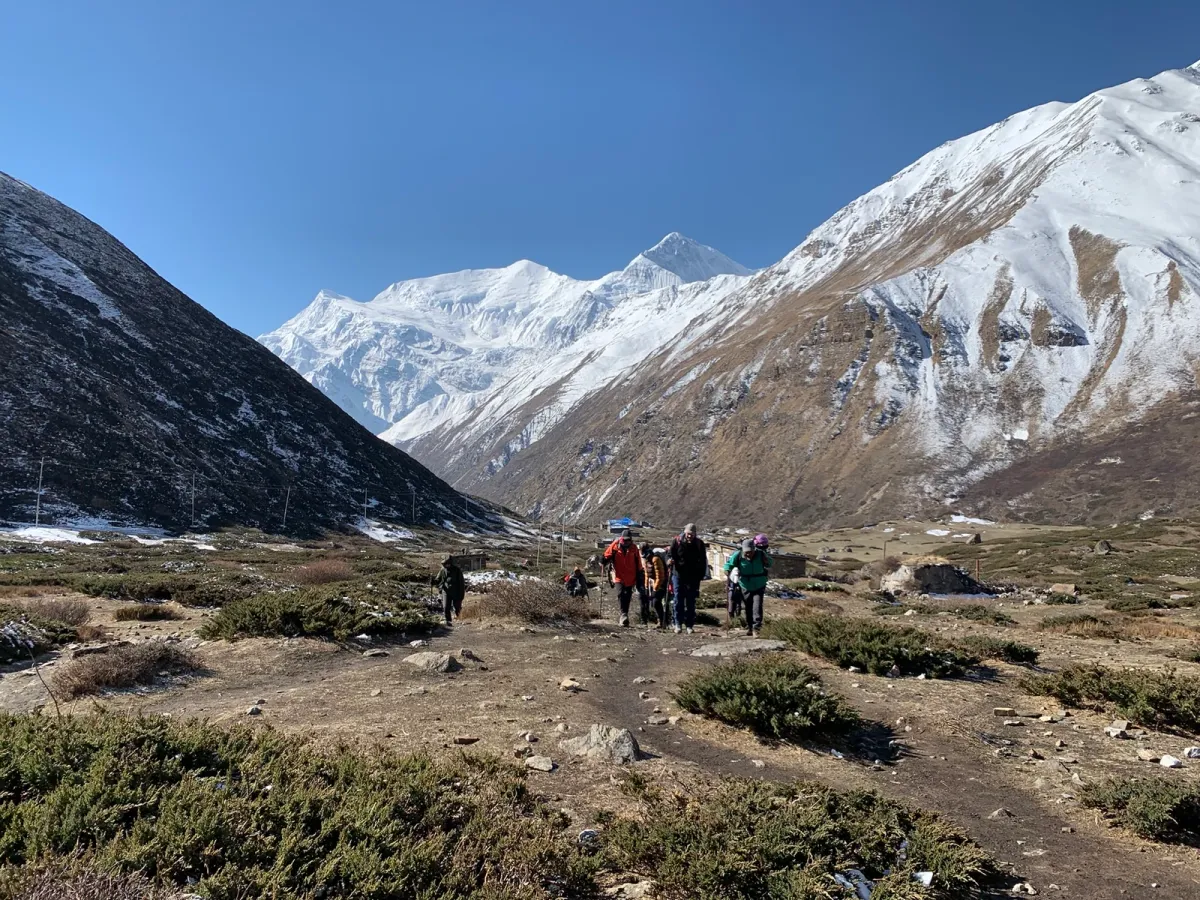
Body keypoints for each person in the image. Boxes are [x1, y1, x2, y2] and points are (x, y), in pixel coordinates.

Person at [724, 534, 772, 636]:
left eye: (750, 552)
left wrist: (767, 560)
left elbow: (770, 563)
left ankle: (756, 628)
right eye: (746, 552)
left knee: (757, 606)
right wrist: (727, 570)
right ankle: (750, 627)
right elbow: (729, 564)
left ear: (754, 549)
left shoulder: (761, 554)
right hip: (745, 585)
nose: (748, 554)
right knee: (748, 607)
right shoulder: (738, 555)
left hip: (759, 583)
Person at [668, 523, 708, 634]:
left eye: (692, 534)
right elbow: (671, 554)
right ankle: (677, 624)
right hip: (678, 575)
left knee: (691, 601)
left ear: (695, 533)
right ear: (685, 532)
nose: (690, 536)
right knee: (678, 600)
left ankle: (689, 625)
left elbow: (703, 560)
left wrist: (701, 576)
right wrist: (670, 560)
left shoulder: (699, 544)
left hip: (693, 577)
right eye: (688, 533)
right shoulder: (677, 541)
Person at [603, 529, 645, 627]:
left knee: (627, 596)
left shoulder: (634, 548)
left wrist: (640, 573)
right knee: (620, 594)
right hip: (618, 576)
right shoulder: (615, 545)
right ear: (621, 538)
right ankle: (623, 615)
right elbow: (606, 555)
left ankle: (625, 615)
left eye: (628, 540)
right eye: (625, 540)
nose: (626, 542)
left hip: (631, 577)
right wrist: (604, 560)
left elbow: (638, 562)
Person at [433, 554, 466, 627]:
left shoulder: (457, 570)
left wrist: (461, 595)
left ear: (451, 563)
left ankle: (460, 620)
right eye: (445, 564)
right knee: (445, 607)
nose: (446, 565)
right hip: (446, 591)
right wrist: (433, 581)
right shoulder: (442, 570)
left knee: (457, 607)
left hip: (456, 592)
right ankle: (448, 621)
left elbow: (461, 583)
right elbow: (438, 579)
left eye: (448, 563)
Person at [648, 546, 671, 629]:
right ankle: (662, 621)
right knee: (658, 602)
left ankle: (663, 621)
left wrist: (655, 588)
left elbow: (659, 576)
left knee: (656, 601)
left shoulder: (656, 559)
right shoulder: (649, 560)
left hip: (662, 582)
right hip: (656, 582)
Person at [727, 544, 746, 624]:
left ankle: (734, 619)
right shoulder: (738, 556)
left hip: (733, 583)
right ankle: (734, 619)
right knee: (735, 602)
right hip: (735, 583)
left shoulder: (733, 555)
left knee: (734, 601)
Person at [637, 543, 655, 626]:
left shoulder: (651, 555)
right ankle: (644, 619)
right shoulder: (638, 555)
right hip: (641, 578)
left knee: (645, 599)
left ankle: (645, 619)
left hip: (648, 579)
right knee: (643, 598)